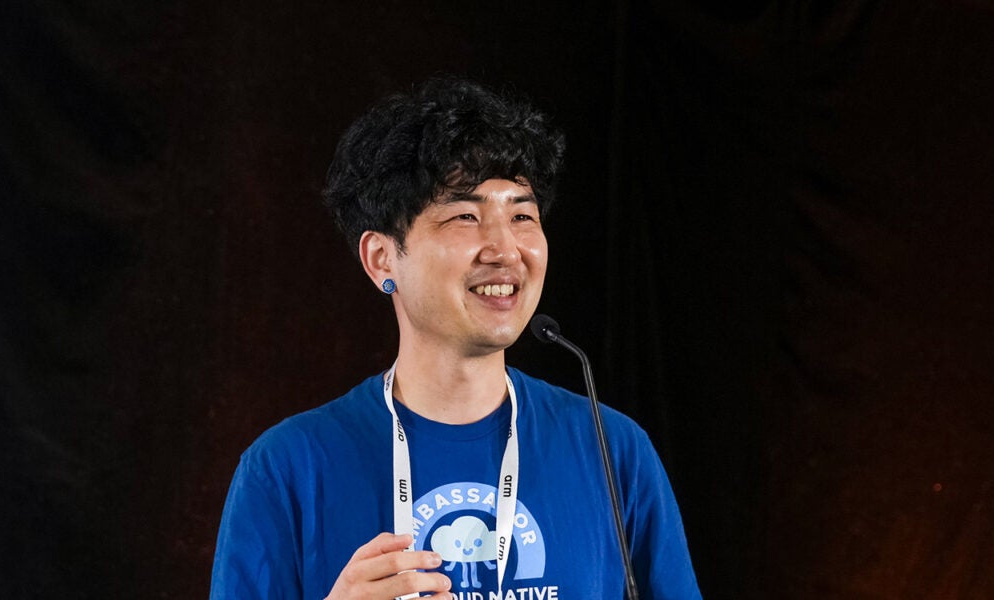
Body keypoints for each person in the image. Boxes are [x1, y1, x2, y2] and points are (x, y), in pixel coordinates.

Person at [207, 77, 702, 600]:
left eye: (522, 215)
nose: (505, 248)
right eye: (465, 215)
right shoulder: (287, 468)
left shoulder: (613, 449)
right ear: (381, 259)